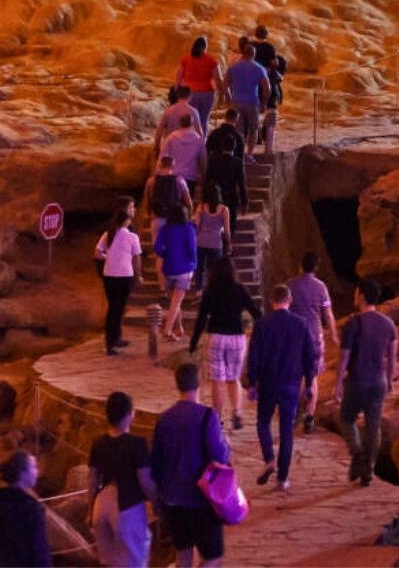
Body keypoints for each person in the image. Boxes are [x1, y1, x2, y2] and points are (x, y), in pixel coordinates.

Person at [150, 364, 230, 568]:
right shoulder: (207, 416)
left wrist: (158, 500)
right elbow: (219, 455)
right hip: (200, 500)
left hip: (172, 500)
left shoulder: (164, 419)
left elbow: (156, 464)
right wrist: (225, 443)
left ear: (177, 385)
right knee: (213, 557)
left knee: (183, 557)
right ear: (199, 383)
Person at [244, 283, 319, 491]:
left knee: (263, 423)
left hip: (268, 383)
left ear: (271, 301)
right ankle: (282, 479)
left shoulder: (262, 324)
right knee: (287, 432)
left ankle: (269, 458)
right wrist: (309, 383)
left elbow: (254, 356)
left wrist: (252, 382)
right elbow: (309, 357)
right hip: (291, 386)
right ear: (290, 300)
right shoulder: (302, 324)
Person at [338, 279, 398, 488]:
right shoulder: (388, 324)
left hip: (357, 380)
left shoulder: (353, 323)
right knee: (373, 427)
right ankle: (368, 472)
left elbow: (344, 357)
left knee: (346, 418)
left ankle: (356, 452)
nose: (354, 296)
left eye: (356, 292)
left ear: (362, 295)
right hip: (378, 381)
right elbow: (392, 357)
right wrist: (390, 380)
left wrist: (338, 383)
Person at [189, 257, 260, 431]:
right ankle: (237, 413)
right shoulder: (239, 289)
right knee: (233, 378)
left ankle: (217, 419)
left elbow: (201, 319)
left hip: (216, 337)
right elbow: (255, 312)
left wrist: (193, 342)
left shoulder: (210, 291)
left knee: (218, 381)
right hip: (236, 337)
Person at [88, 391, 157, 568]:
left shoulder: (97, 443)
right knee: (134, 562)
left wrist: (90, 512)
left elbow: (93, 481)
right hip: (126, 507)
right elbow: (144, 481)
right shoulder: (137, 444)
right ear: (130, 414)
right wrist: (157, 502)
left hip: (100, 505)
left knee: (108, 564)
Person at [286, 253, 336, 435]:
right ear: (316, 268)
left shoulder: (290, 285)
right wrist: (334, 334)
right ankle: (309, 415)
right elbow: (328, 314)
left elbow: (285, 311)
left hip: (295, 336)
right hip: (315, 336)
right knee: (312, 377)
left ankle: (293, 412)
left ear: (300, 265)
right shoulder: (321, 287)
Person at [0, 451, 50, 567]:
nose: (38, 472)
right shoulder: (30, 508)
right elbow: (39, 550)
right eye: (34, 467)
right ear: (22, 473)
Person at [95, 211, 141, 356]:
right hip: (125, 275)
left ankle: (112, 340)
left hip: (109, 275)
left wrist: (108, 257)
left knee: (113, 308)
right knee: (119, 308)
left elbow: (97, 254)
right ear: (126, 221)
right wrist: (138, 275)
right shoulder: (132, 237)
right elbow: (137, 259)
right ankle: (113, 340)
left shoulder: (108, 235)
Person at [156, 205, 199, 341]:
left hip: (169, 268)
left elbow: (157, 248)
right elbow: (192, 249)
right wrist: (194, 264)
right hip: (184, 268)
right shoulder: (188, 229)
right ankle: (167, 331)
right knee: (176, 303)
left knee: (175, 299)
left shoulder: (165, 230)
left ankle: (179, 328)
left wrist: (166, 254)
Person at [222, 39, 271, 149]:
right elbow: (267, 88)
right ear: (254, 54)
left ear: (243, 53)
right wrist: (264, 103)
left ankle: (239, 153)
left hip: (236, 100)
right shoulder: (259, 68)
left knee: (238, 130)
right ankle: (249, 154)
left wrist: (229, 98)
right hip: (252, 102)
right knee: (253, 130)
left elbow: (225, 84)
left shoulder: (233, 67)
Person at [205, 111, 248, 231]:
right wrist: (244, 201)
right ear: (236, 119)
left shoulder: (214, 134)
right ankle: (228, 245)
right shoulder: (238, 137)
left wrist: (204, 197)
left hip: (215, 192)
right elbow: (241, 181)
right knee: (230, 222)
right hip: (231, 193)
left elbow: (206, 151)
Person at [176, 37, 220, 130]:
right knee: (203, 120)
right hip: (207, 93)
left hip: (189, 93)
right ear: (205, 47)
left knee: (190, 119)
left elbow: (179, 76)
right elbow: (218, 78)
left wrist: (177, 90)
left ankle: (190, 140)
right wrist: (221, 91)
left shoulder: (185, 59)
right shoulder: (211, 60)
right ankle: (201, 142)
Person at [192, 187, 230, 295]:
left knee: (200, 268)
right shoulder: (224, 210)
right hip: (216, 243)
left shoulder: (200, 207)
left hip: (201, 241)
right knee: (215, 270)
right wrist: (229, 243)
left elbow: (197, 226)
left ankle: (199, 291)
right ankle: (214, 291)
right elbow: (227, 231)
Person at [162, 113, 208, 191]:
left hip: (173, 176)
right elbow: (203, 159)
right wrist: (203, 176)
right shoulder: (198, 139)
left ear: (180, 123)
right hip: (190, 177)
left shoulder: (171, 138)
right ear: (192, 124)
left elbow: (163, 157)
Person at [155, 86, 202, 154]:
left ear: (178, 95)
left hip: (170, 148)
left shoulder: (168, 111)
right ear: (190, 96)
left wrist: (157, 147)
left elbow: (159, 131)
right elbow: (199, 133)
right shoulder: (193, 112)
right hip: (186, 148)